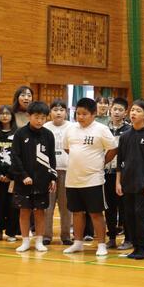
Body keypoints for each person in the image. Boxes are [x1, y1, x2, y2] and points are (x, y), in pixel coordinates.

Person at [62, 97, 118, 257]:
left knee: (96, 213)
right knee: (77, 212)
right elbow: (67, 148)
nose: (80, 117)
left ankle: (101, 244)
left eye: (84, 114)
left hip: (93, 179)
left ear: (93, 114)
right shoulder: (70, 129)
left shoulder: (101, 129)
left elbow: (113, 149)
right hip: (73, 179)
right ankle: (78, 243)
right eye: (78, 113)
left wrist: (101, 162)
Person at [116, 99, 144, 260]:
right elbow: (120, 161)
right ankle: (135, 246)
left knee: (141, 217)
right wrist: (118, 182)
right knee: (129, 217)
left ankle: (142, 248)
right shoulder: (125, 136)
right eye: (132, 110)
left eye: (138, 111)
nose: (133, 113)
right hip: (127, 183)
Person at [10, 101, 57, 253]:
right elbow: (15, 156)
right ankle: (25, 241)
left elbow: (52, 158)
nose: (39, 121)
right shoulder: (20, 134)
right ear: (29, 116)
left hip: (42, 181)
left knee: (39, 211)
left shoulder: (48, 135)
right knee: (24, 211)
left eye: (43, 118)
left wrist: (53, 177)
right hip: (23, 181)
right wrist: (23, 175)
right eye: (36, 117)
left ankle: (39, 241)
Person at [44, 99, 72, 245]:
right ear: (50, 113)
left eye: (61, 110)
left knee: (66, 206)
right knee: (47, 206)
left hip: (67, 171)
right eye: (55, 110)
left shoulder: (72, 127)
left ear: (66, 112)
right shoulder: (45, 127)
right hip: (48, 172)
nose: (58, 112)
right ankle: (46, 236)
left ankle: (66, 236)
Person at [104, 97, 131, 249]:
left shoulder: (129, 130)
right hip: (106, 174)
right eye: (115, 109)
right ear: (110, 110)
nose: (117, 112)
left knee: (124, 207)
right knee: (109, 208)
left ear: (125, 112)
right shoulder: (103, 129)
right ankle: (112, 238)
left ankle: (128, 238)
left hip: (122, 175)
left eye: (120, 110)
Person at [0, 105, 19, 242]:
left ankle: (12, 233)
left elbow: (19, 156)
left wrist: (10, 175)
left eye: (7, 113)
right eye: (2, 113)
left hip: (12, 178)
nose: (4, 116)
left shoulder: (18, 134)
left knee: (12, 206)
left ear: (12, 116)